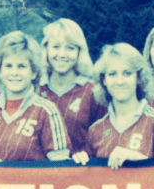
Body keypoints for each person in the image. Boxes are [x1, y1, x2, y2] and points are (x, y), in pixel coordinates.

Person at [75, 43, 154, 169]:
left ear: (139, 78)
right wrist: (80, 161)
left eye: (127, 73)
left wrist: (139, 161)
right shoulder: (95, 130)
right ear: (104, 80)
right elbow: (89, 180)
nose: (120, 81)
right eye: (112, 74)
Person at [0, 31, 70, 163]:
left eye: (21, 66)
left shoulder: (47, 111)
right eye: (8, 66)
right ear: (0, 72)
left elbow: (61, 170)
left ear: (33, 72)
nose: (14, 73)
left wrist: (8, 172)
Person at [37, 18, 105, 155]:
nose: (62, 54)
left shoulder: (93, 92)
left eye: (70, 48)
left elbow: (104, 138)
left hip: (81, 172)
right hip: (39, 173)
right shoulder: (34, 90)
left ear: (80, 52)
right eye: (56, 47)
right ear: (46, 49)